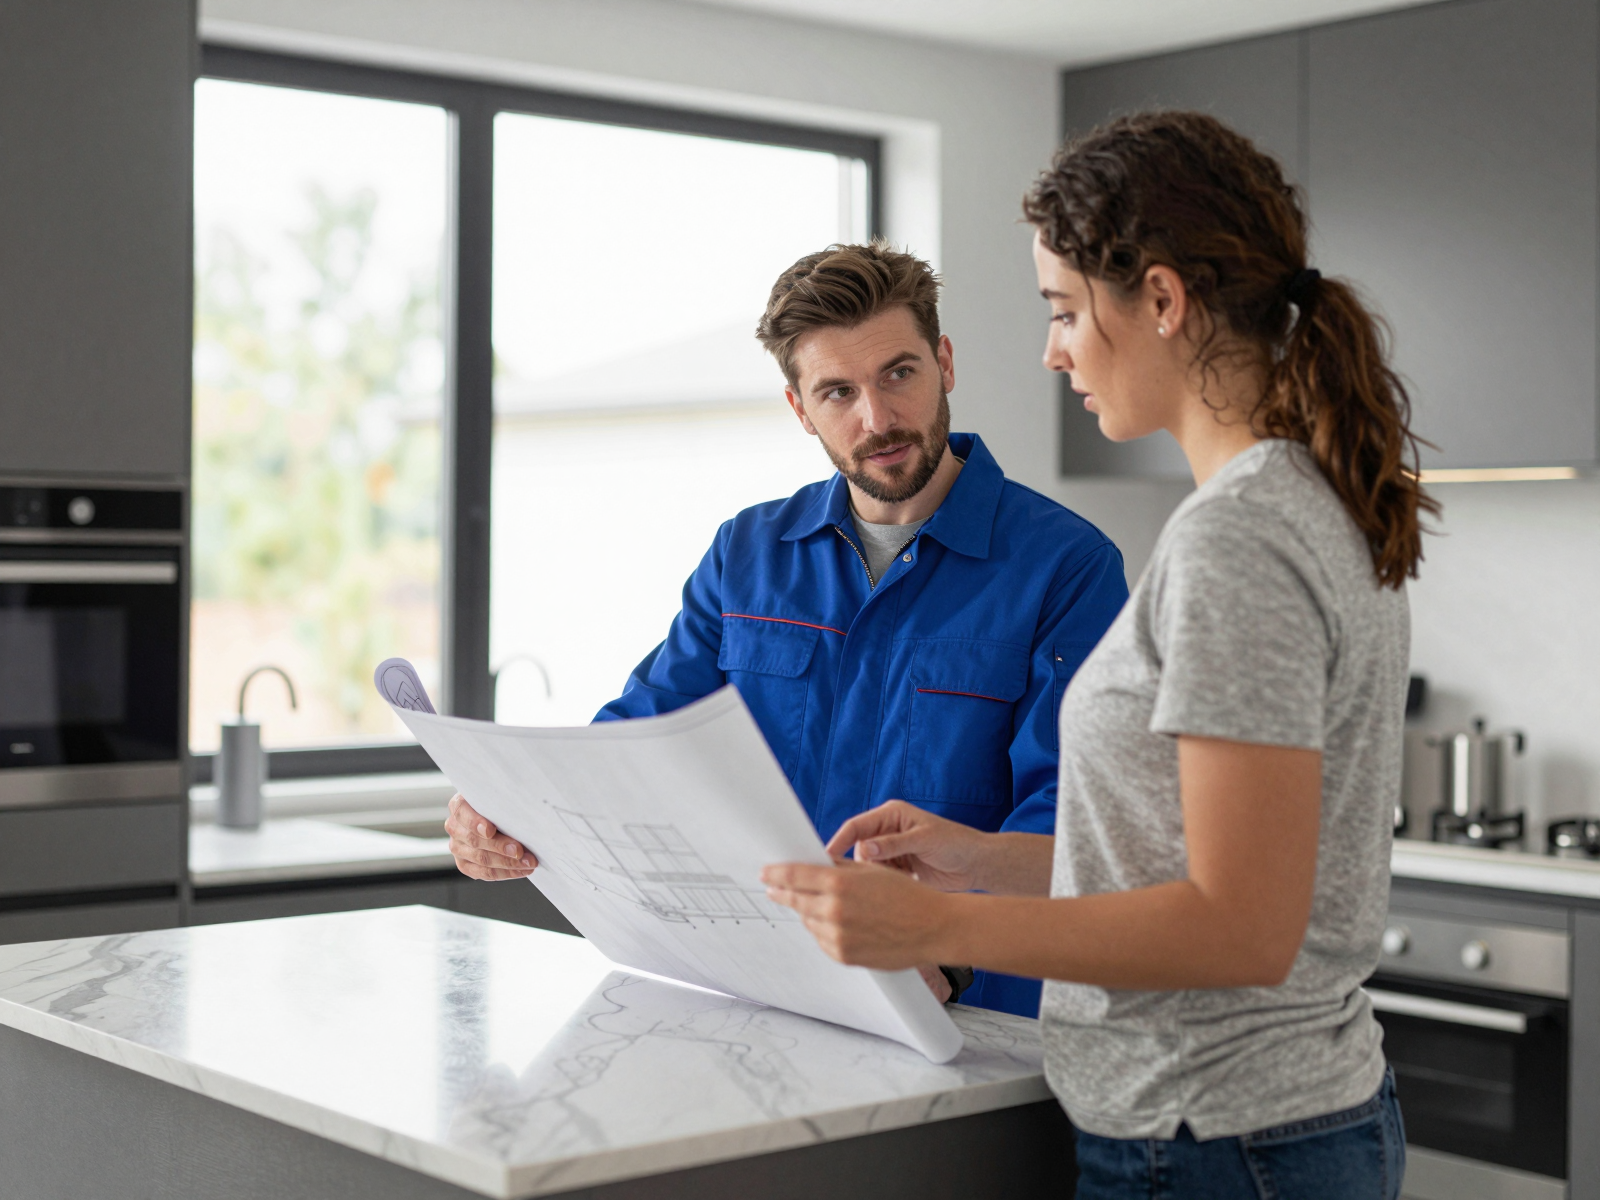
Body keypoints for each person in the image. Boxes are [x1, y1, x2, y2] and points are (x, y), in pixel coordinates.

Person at [763, 111, 1435, 1200]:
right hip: (1243, 1127)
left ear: (1161, 301)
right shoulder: (1290, 504)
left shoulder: (1239, 540)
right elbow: (1182, 863)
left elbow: (1240, 926)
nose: (1052, 348)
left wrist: (935, 921)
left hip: (1219, 1136)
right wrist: (975, 856)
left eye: (1065, 309)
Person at [444, 242, 1130, 1017]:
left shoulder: (1067, 567)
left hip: (971, 1017)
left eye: (899, 374)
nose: (878, 418)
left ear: (944, 362)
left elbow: (1071, 820)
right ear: (801, 408)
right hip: (761, 998)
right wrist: (508, 811)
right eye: (838, 392)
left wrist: (951, 951)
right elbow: (635, 745)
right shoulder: (748, 556)